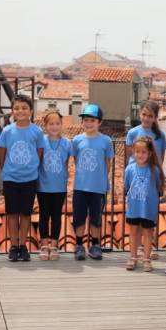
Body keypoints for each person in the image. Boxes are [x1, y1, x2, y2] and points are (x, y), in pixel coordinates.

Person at [0, 94, 43, 262]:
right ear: (12, 111)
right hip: (11, 178)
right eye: (17, 108)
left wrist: (31, 167)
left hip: (29, 178)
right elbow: (2, 154)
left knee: (25, 214)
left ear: (31, 111)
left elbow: (39, 152)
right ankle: (13, 245)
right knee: (11, 214)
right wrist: (7, 170)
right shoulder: (7, 131)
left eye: (24, 108)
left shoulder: (36, 131)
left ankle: (23, 245)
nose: (20, 111)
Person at [71, 103, 113, 261]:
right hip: (80, 186)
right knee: (79, 217)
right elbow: (76, 160)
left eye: (92, 120)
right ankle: (79, 245)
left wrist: (99, 178)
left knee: (96, 218)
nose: (88, 123)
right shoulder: (76, 140)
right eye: (86, 120)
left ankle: (95, 245)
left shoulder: (106, 141)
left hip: (98, 187)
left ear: (99, 122)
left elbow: (107, 164)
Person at [124, 136, 164, 271]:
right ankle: (133, 257)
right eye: (137, 152)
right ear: (133, 152)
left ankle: (146, 258)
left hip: (148, 208)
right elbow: (127, 186)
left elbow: (158, 186)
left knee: (148, 233)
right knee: (133, 232)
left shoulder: (155, 170)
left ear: (150, 153)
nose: (140, 155)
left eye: (143, 152)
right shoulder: (129, 169)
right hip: (134, 207)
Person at [37, 110, 71, 260]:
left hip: (59, 186)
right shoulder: (41, 141)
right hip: (42, 186)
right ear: (45, 126)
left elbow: (70, 161)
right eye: (51, 124)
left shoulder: (67, 143)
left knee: (56, 216)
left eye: (57, 123)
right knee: (44, 215)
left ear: (61, 125)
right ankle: (44, 244)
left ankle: (55, 245)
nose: (54, 126)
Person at [125, 100, 166, 167]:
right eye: (144, 114)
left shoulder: (161, 135)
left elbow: (161, 157)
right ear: (140, 114)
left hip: (153, 173)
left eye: (150, 116)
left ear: (155, 118)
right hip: (136, 172)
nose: (146, 118)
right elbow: (128, 156)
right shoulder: (132, 133)